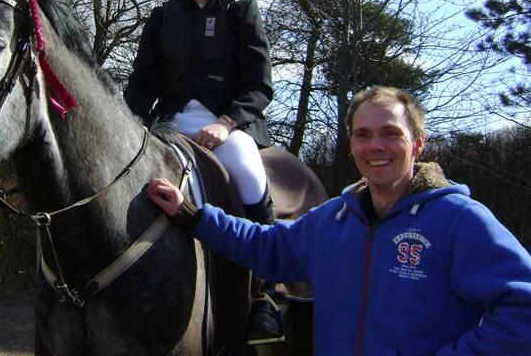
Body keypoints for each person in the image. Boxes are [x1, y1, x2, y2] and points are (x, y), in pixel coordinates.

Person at [147, 86, 531, 356]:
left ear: (417, 144)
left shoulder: (460, 220)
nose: (375, 146)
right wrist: (193, 215)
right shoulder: (335, 219)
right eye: (362, 135)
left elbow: (523, 308)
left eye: (390, 134)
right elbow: (267, 248)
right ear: (352, 146)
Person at [124, 0, 283, 345]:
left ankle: (265, 293)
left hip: (229, 126)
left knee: (247, 170)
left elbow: (259, 86)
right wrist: (131, 122)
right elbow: (142, 84)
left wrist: (227, 122)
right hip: (170, 125)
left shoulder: (240, 13)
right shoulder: (160, 19)